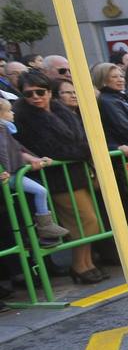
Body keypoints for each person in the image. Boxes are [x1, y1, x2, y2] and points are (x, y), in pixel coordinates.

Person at [13, 72, 102, 281]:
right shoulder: (23, 116)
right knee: (83, 222)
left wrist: (84, 149)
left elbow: (78, 138)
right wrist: (85, 150)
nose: (35, 96)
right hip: (56, 179)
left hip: (75, 174)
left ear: (49, 92)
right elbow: (49, 149)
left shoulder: (60, 109)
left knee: (89, 222)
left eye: (40, 92)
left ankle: (87, 262)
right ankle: (79, 265)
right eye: (29, 94)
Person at [0, 96, 69, 244]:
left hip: (13, 173)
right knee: (37, 193)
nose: (13, 114)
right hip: (9, 175)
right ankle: (44, 227)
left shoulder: (6, 131)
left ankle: (46, 226)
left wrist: (34, 159)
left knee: (40, 191)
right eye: (9, 111)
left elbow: (18, 150)